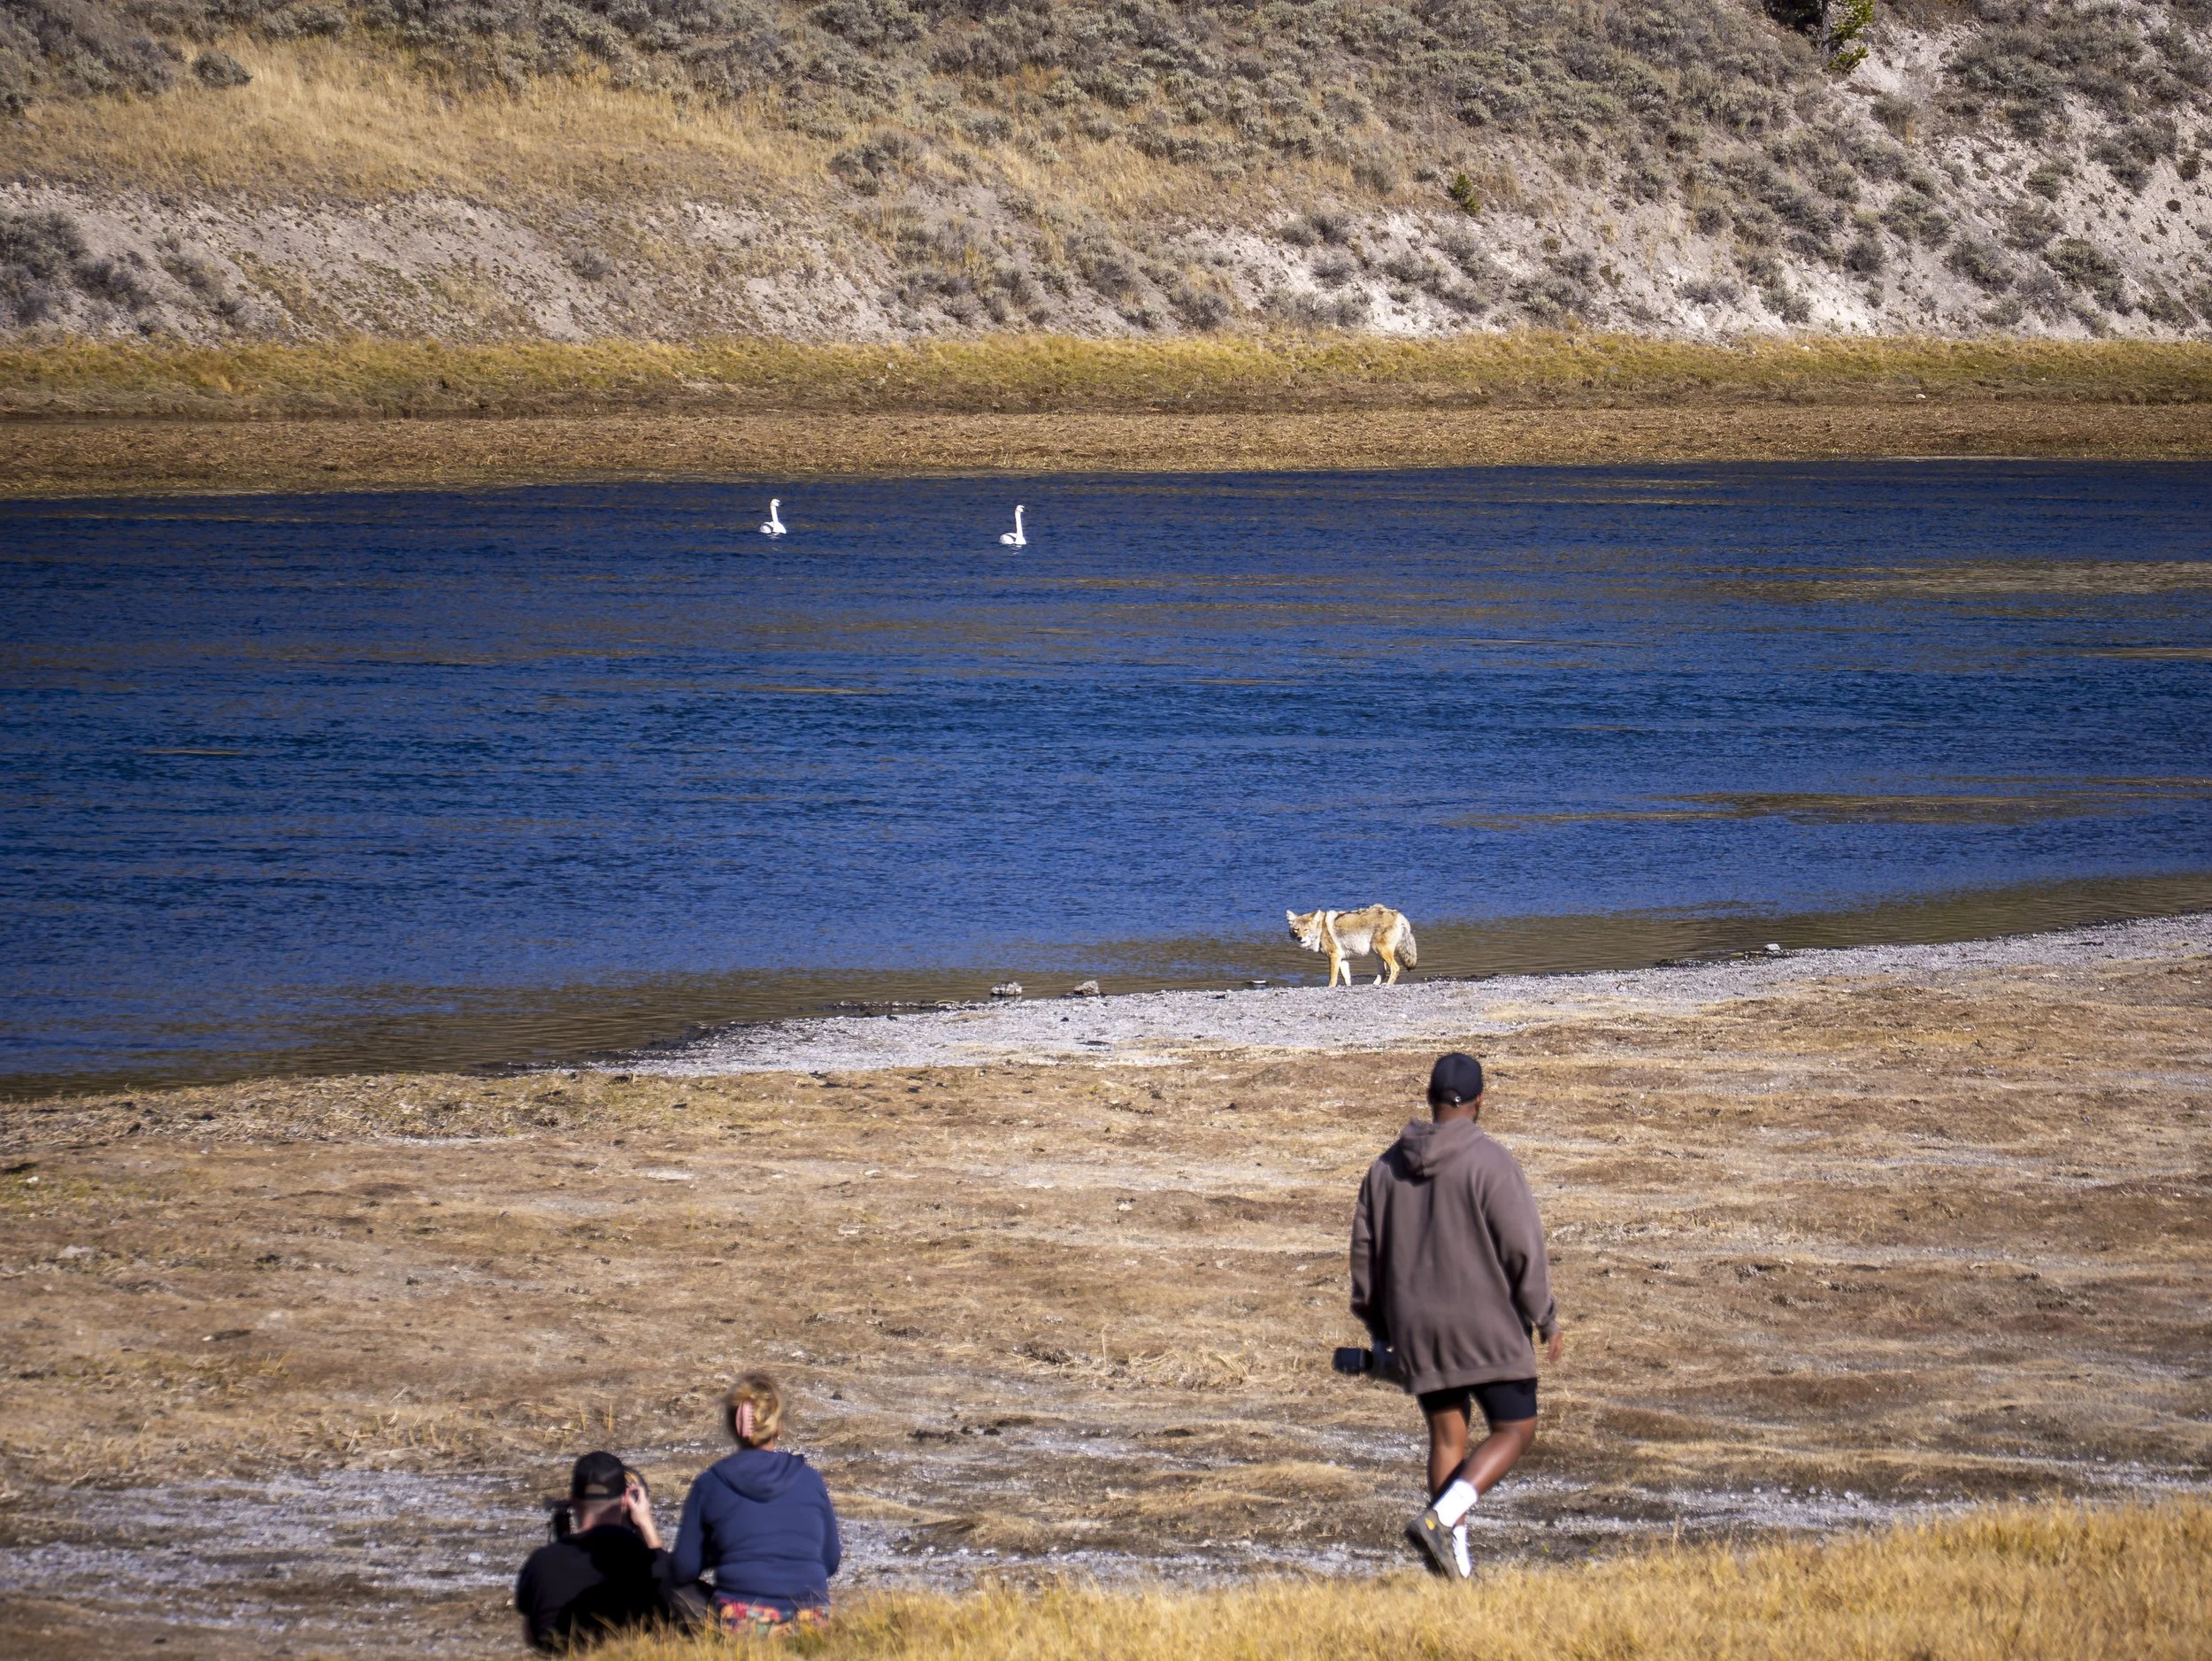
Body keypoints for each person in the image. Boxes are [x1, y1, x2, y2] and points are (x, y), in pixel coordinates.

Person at [1349, 1050, 1562, 1581]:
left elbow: (1364, 1256)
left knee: (1448, 1439)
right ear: (1481, 1101)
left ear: (1429, 1099)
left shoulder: (1384, 1168)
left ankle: (1457, 1573)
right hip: (1486, 1328)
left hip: (1418, 1332)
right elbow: (1522, 1249)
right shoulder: (1492, 1162)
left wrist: (1380, 1333)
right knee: (1516, 1429)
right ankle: (1441, 1519)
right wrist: (1546, 1317)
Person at [669, 1371, 841, 1634]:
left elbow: (683, 1570)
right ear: (779, 1426)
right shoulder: (811, 1480)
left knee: (670, 1588)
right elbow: (829, 1562)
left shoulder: (711, 1483)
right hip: (812, 1621)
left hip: (743, 1623)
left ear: (732, 1425)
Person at [513, 1450, 672, 1649]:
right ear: (625, 1500)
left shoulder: (540, 1562)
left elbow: (531, 1637)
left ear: (572, 1501)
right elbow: (672, 1592)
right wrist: (646, 1524)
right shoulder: (640, 1558)